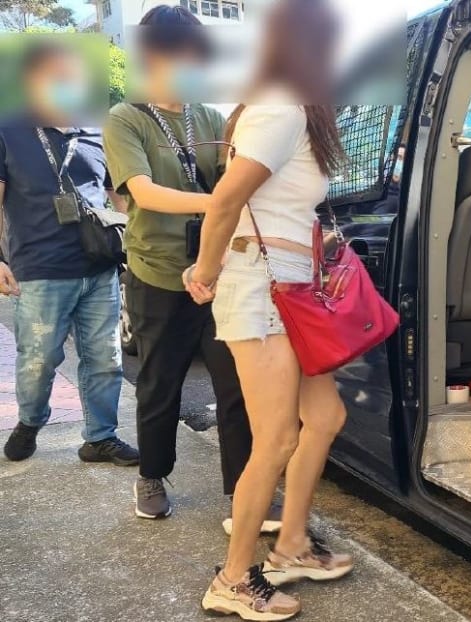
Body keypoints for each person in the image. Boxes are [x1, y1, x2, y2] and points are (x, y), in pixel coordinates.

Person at [154, 0, 353, 618]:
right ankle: (234, 579)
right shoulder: (279, 108)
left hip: (296, 289)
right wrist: (205, 272)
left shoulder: (300, 112)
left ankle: (290, 545)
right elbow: (224, 201)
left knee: (324, 419)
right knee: (275, 439)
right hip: (261, 285)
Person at [102, 6, 275, 528]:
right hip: (158, 273)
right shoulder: (125, 117)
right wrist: (220, 204)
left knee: (235, 388)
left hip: (216, 271)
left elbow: (240, 176)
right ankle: (151, 476)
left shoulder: (209, 116)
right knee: (160, 384)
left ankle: (244, 492)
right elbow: (144, 194)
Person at [0, 41, 138, 466]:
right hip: (40, 268)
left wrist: (133, 241)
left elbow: (119, 196)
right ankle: (30, 420)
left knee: (106, 359)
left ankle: (99, 436)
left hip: (99, 267)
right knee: (39, 360)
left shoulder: (96, 131)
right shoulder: (9, 130)